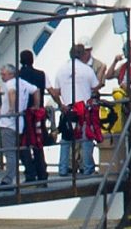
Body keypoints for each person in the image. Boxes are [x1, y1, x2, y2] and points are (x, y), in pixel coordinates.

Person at [54, 44, 101, 178]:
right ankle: (88, 168)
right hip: (84, 109)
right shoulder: (87, 70)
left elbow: (56, 91)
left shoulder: (61, 70)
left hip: (68, 108)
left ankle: (63, 169)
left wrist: (61, 104)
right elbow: (95, 87)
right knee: (86, 139)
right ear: (82, 55)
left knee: (66, 139)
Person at [15, 49, 50, 183]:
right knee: (38, 143)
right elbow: (49, 90)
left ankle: (30, 171)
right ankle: (42, 171)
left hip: (23, 114)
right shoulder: (41, 74)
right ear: (32, 60)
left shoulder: (18, 76)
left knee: (23, 144)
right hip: (37, 113)